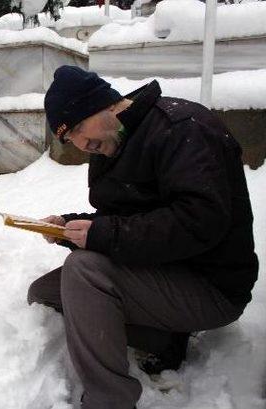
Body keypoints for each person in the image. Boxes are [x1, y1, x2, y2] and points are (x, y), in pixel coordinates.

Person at [28, 66, 258, 409]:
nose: (80, 143)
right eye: (68, 138)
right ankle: (163, 339)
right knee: (46, 294)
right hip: (166, 273)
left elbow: (200, 220)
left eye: (77, 127)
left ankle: (110, 400)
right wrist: (71, 226)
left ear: (105, 104)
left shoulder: (180, 128)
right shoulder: (110, 145)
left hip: (211, 286)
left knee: (83, 272)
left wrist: (103, 234)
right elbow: (120, 219)